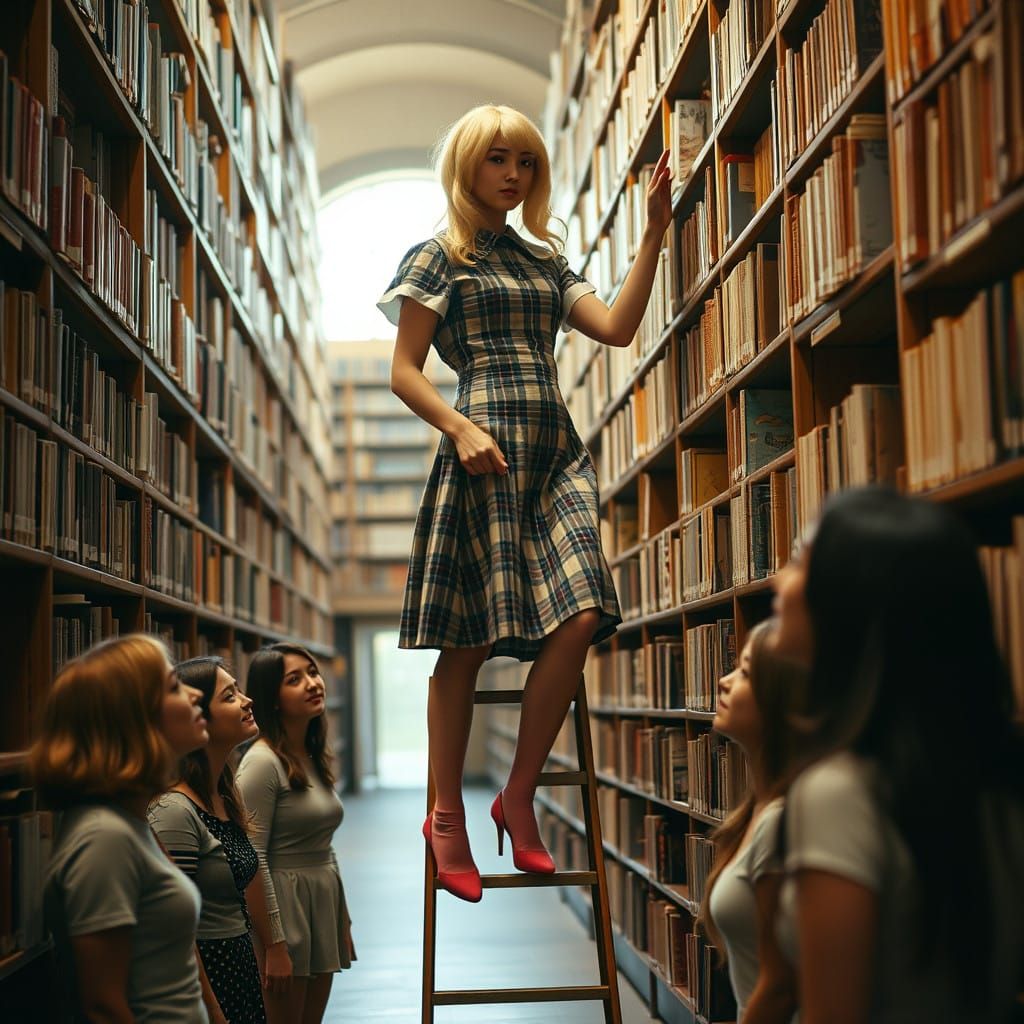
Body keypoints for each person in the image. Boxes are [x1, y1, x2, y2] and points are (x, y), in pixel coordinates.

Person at [378, 103, 673, 901]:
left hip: (556, 456)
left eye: (527, 164)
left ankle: (518, 794)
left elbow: (613, 327)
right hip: (487, 455)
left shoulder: (545, 262)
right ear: (467, 167)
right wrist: (458, 427)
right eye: (498, 160)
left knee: (583, 613)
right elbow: (404, 369)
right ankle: (448, 815)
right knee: (467, 641)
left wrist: (651, 236)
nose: (514, 175)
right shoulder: (439, 256)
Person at [770, 486, 1024, 1024]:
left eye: (799, 561)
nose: (779, 581)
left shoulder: (838, 794)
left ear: (848, 602)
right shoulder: (996, 777)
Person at [30, 634, 211, 1023]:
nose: (195, 694)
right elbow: (104, 1008)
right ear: (134, 717)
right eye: (175, 686)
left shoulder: (130, 820)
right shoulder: (103, 837)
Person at [149, 657, 293, 1023]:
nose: (247, 701)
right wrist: (212, 1011)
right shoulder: (173, 811)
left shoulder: (225, 795)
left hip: (238, 966)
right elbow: (177, 930)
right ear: (199, 718)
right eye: (230, 696)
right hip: (211, 979)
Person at [235, 643, 354, 1024]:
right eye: (294, 679)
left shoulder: (312, 755)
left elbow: (324, 846)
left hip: (320, 905)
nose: (312, 683)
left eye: (313, 672)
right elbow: (252, 858)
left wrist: (342, 921)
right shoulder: (260, 763)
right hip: (284, 911)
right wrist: (274, 944)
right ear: (271, 696)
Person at [699, 619, 804, 1023]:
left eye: (744, 672)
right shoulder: (753, 812)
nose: (723, 681)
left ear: (779, 701)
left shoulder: (781, 821)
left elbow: (782, 987)